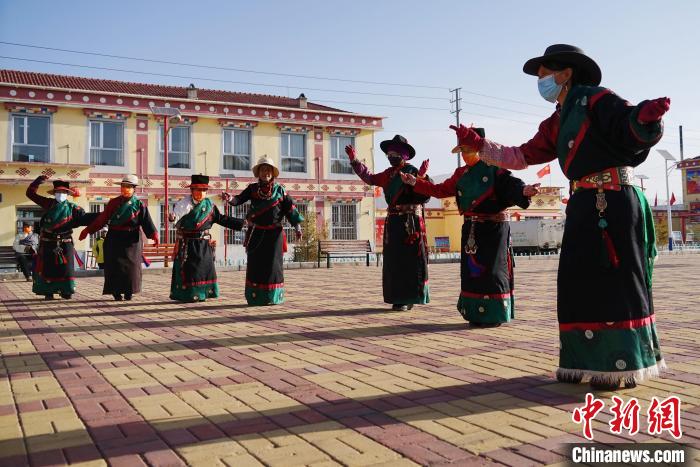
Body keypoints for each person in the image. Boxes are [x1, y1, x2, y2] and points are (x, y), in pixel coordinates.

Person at [451, 44, 668, 390]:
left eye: (544, 75)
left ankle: (620, 364)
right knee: (577, 282)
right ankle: (584, 360)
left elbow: (629, 125)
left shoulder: (597, 99)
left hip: (611, 200)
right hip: (583, 202)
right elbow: (521, 155)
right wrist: (481, 145)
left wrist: (645, 119)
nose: (541, 82)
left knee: (614, 282)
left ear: (565, 73)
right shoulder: (557, 119)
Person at [401, 128, 539, 326]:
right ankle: (474, 313)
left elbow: (512, 186)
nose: (465, 155)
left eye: (469, 149)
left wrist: (525, 190)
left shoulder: (495, 169)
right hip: (471, 230)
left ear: (480, 149)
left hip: (493, 230)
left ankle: (493, 315)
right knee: (471, 273)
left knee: (492, 272)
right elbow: (439, 190)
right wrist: (416, 182)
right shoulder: (461, 174)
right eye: (463, 150)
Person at [345, 134, 431, 311]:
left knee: (409, 260)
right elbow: (369, 178)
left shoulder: (413, 171)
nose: (391, 156)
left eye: (395, 153)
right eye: (389, 154)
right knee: (394, 260)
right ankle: (397, 297)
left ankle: (410, 297)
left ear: (404, 155)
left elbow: (425, 196)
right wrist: (354, 160)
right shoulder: (387, 175)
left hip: (410, 223)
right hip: (393, 222)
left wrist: (422, 178)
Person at [221, 156, 303, 306]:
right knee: (256, 265)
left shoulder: (280, 190)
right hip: (256, 233)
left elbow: (290, 209)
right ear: (258, 172)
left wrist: (297, 226)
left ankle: (272, 297)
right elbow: (239, 200)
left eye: (268, 170)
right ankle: (255, 297)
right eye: (263, 169)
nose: (266, 172)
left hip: (275, 234)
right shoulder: (252, 189)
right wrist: (230, 198)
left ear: (272, 173)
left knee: (273, 266)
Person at [79, 175, 158, 301]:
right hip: (114, 238)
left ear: (134, 189)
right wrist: (88, 230)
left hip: (132, 239)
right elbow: (101, 219)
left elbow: (147, 222)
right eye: (123, 186)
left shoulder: (139, 204)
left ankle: (129, 291)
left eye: (128, 187)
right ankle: (115, 292)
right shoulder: (113, 203)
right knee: (113, 266)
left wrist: (154, 235)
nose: (125, 189)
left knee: (132, 267)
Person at [169, 174, 244, 302]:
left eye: (203, 190)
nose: (200, 193)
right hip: (187, 244)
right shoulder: (183, 204)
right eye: (197, 189)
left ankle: (204, 294)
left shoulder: (210, 205)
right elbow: (175, 216)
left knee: (203, 270)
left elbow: (221, 219)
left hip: (203, 244)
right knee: (190, 271)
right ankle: (188, 295)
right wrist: (172, 217)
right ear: (192, 190)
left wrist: (242, 223)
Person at [26, 176, 96, 299]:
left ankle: (66, 290)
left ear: (67, 194)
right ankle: (48, 291)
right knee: (48, 268)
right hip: (48, 242)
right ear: (54, 193)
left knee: (66, 268)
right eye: (58, 192)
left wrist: (103, 216)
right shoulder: (48, 203)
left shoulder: (73, 208)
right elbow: (30, 194)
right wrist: (36, 182)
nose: (60, 194)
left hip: (65, 242)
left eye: (63, 192)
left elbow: (85, 218)